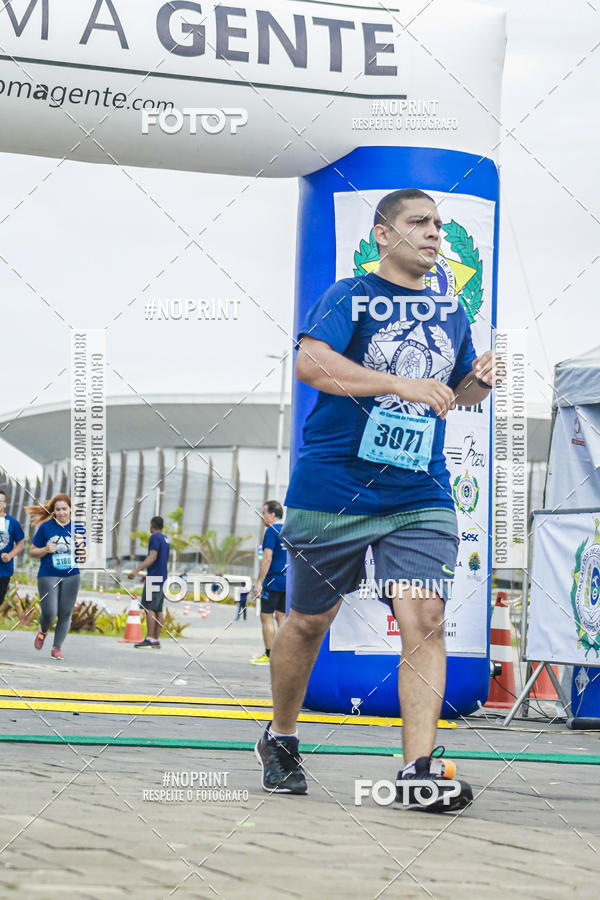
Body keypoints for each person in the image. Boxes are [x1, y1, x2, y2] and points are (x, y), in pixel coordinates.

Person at [255, 188, 504, 811]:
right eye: (418, 222)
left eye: (439, 225)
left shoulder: (451, 310)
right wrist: (401, 383)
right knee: (309, 621)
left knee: (424, 618)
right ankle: (281, 736)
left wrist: (475, 382)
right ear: (382, 234)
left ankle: (417, 772)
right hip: (335, 486)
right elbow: (312, 364)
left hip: (418, 490)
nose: (433, 233)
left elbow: (455, 394)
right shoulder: (349, 295)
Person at [27, 493, 85, 660]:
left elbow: (82, 557)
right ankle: (43, 631)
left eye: (64, 509)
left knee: (65, 613)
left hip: (71, 575)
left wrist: (81, 545)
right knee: (50, 612)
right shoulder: (45, 528)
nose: (61, 513)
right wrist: (46, 550)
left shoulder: (78, 529)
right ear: (53, 510)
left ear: (70, 509)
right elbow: (32, 551)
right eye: (57, 509)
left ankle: (56, 648)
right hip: (48, 574)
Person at [250, 501, 288, 665]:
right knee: (282, 618)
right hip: (288, 581)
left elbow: (267, 558)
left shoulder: (271, 531)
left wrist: (259, 582)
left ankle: (269, 655)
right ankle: (285, 655)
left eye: (264, 513)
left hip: (273, 581)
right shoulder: (289, 530)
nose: (262, 516)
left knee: (267, 617)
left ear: (273, 514)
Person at [128, 516, 170, 648]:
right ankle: (156, 639)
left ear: (152, 525)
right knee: (158, 609)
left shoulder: (154, 537)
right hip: (162, 577)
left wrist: (137, 570)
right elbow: (160, 561)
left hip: (154, 578)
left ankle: (150, 638)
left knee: (149, 608)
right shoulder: (165, 539)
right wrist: (147, 575)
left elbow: (152, 557)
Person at [0, 489, 25, 606]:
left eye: (0, 500)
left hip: (3, 571)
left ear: (5, 504)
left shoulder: (12, 522)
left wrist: (9, 555)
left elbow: (21, 544)